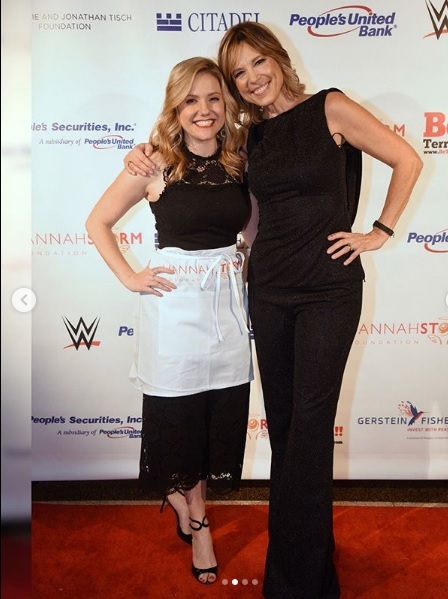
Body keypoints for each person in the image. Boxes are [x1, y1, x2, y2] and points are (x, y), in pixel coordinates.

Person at [124, 21, 423, 599]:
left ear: (279, 59)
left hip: (328, 291)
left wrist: (379, 231)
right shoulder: (250, 139)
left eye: (257, 62)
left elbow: (407, 159)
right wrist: (143, 152)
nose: (251, 78)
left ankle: (297, 584)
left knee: (309, 430)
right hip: (269, 292)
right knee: (286, 431)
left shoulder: (330, 108)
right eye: (238, 73)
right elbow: (198, 160)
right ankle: (312, 557)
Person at [86, 56, 254, 586]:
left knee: (217, 415)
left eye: (213, 98)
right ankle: (198, 524)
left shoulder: (240, 158)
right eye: (191, 100)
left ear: (226, 104)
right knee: (179, 420)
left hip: (227, 308)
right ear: (175, 108)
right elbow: (98, 222)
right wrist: (129, 277)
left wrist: (249, 259)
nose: (204, 110)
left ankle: (183, 500)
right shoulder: (155, 162)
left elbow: (252, 225)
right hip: (174, 307)